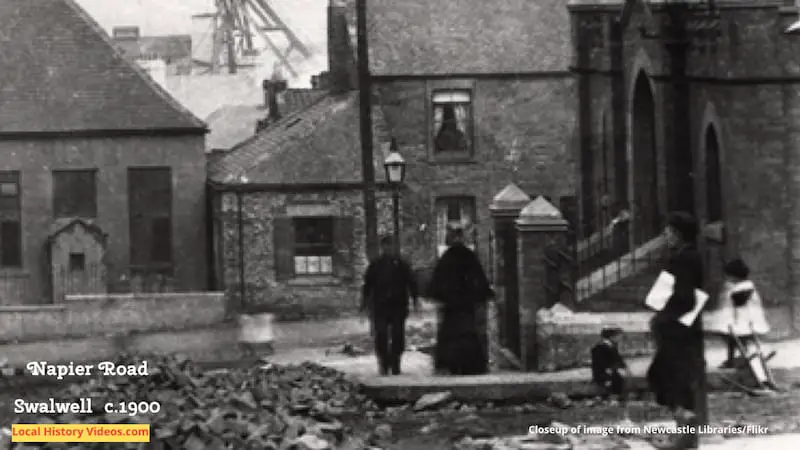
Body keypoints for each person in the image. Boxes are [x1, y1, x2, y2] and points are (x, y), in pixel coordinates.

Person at [646, 211, 706, 449]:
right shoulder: (688, 256)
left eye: (669, 232)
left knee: (665, 376)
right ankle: (685, 432)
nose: (666, 236)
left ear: (680, 234)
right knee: (676, 378)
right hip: (683, 329)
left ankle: (685, 430)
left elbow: (685, 298)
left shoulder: (683, 259)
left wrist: (663, 318)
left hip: (677, 330)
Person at [427, 223, 494, 375]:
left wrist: (440, 296)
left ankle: (453, 365)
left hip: (454, 305)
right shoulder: (467, 256)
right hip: (464, 305)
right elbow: (478, 280)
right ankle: (468, 366)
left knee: (454, 333)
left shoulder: (449, 257)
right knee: (466, 333)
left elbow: (438, 282)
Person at [361, 236, 420, 375]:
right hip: (380, 306)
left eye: (391, 246)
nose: (388, 249)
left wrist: (415, 299)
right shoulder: (376, 265)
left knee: (397, 335)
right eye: (386, 246)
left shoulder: (401, 265)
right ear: (383, 247)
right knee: (381, 334)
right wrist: (364, 302)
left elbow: (411, 282)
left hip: (398, 306)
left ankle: (395, 362)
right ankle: (383, 362)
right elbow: (368, 284)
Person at [705, 258, 771, 368]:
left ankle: (740, 358)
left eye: (729, 276)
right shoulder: (742, 286)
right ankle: (734, 358)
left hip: (747, 321)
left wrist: (729, 290)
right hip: (740, 319)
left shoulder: (744, 288)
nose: (728, 278)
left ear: (735, 276)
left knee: (735, 336)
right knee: (729, 335)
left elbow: (738, 302)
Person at [591, 327, 633, 422]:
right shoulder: (600, 347)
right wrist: (609, 372)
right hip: (604, 374)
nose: (620, 339)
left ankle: (618, 399)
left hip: (612, 373)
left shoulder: (612, 346)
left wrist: (624, 368)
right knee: (618, 380)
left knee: (622, 379)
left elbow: (618, 360)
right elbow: (599, 364)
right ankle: (613, 398)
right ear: (611, 336)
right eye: (618, 336)